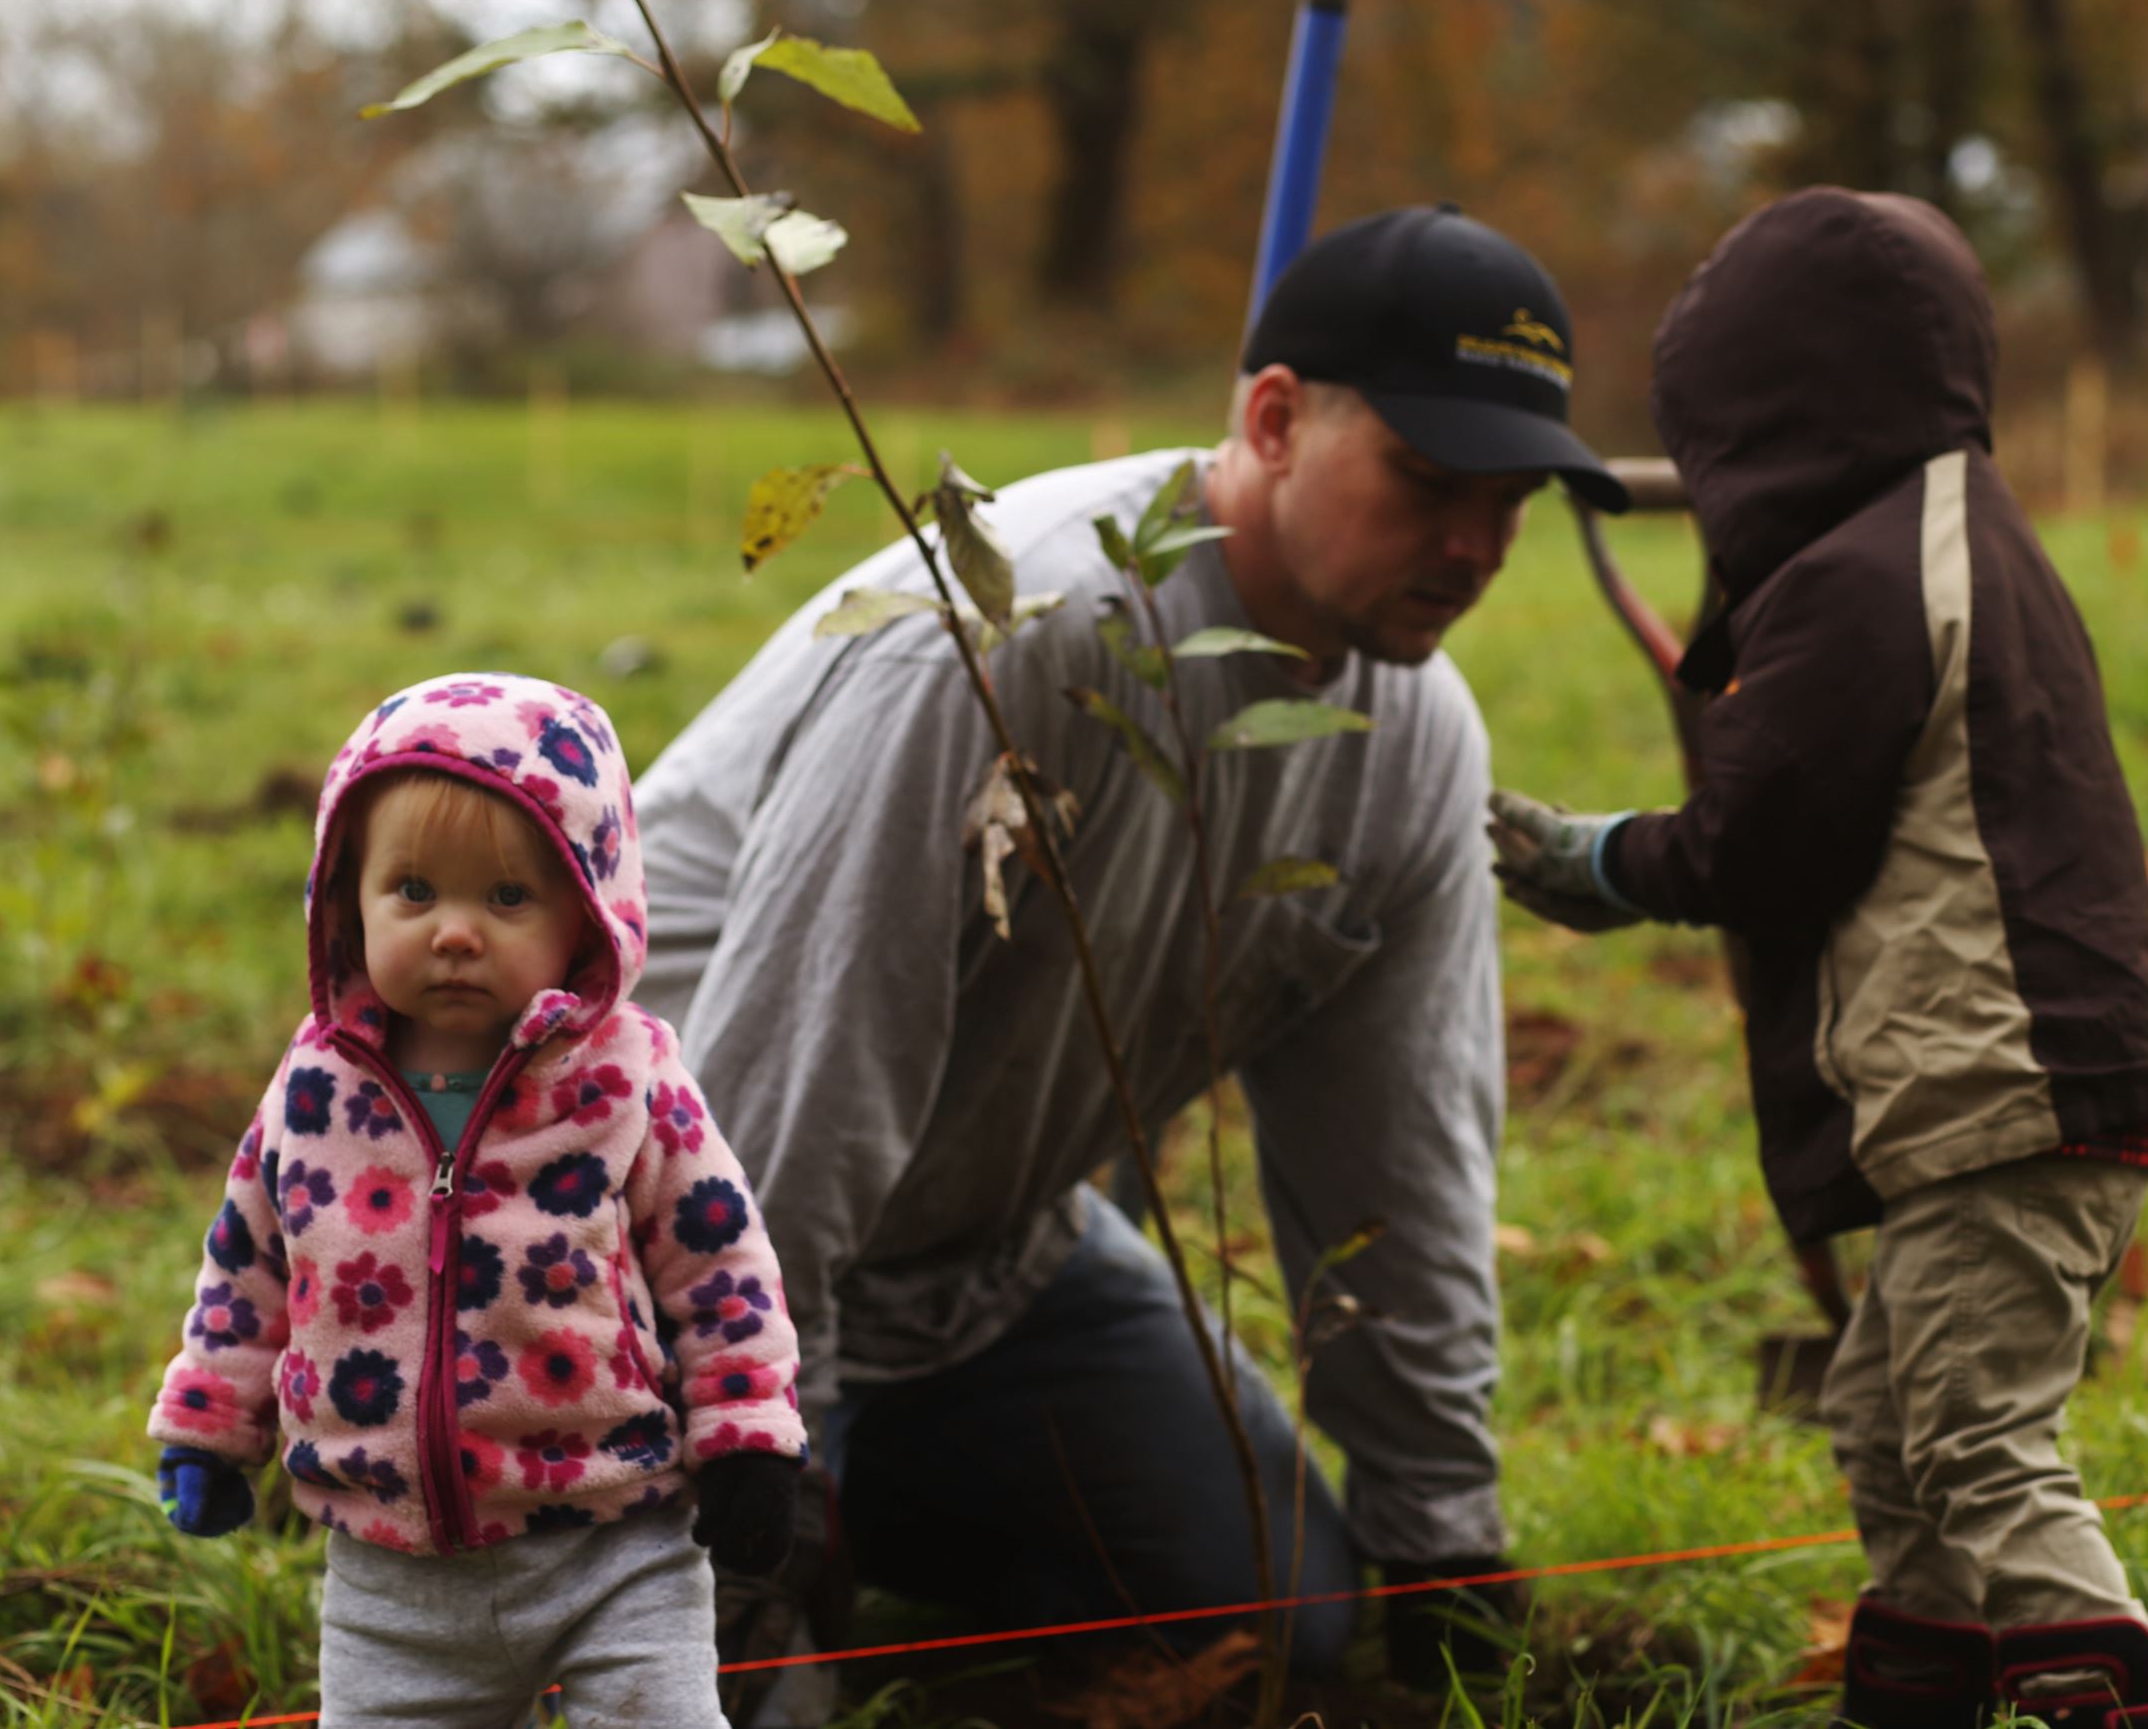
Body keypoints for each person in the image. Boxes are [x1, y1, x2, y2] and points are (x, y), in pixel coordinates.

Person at [634, 204, 1628, 1721]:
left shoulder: (1411, 743)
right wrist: (751, 1470)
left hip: (977, 1268)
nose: (1477, 549)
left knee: (1280, 1604)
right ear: (1276, 418)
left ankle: (876, 1503)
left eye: (1515, 505)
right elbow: (787, 1082)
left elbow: (1402, 1169)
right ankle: (667, 1521)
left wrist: (1448, 1545)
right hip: (649, 1251)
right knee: (703, 1684)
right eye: (1432, 484)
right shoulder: (1018, 626)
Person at [1488, 188, 2148, 1729]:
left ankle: (2107, 1681)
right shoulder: (1956, 531)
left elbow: (1769, 843)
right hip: (2033, 1078)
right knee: (1890, 1420)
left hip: (1996, 1085)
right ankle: (1920, 1683)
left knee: (1977, 1439)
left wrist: (1601, 858)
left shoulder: (1859, 579)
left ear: (1755, 409)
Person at [146, 672, 809, 1729]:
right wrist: (211, 1419)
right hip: (393, 1577)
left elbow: (719, 1261)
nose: (455, 931)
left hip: (615, 1542)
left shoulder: (625, 1081)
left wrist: (746, 1432)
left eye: (506, 897)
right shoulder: (316, 1089)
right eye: (413, 890)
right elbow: (247, 1262)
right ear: (344, 900)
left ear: (587, 907)